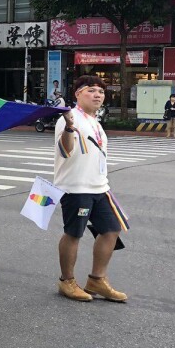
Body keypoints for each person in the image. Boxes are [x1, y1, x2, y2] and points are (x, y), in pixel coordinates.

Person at [54, 75, 127, 304]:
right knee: (74, 234)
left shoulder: (95, 121)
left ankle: (97, 279)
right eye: (91, 90)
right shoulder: (69, 118)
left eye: (101, 92)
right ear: (77, 94)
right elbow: (66, 150)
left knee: (111, 230)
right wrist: (69, 126)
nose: (98, 95)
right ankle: (67, 281)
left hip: (100, 187)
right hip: (76, 188)